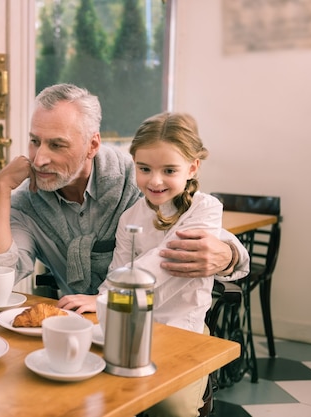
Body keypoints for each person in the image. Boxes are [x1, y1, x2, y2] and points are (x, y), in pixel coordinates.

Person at [0, 83, 247, 314]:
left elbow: (198, 228)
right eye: (35, 141)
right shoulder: (27, 200)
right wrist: (0, 189)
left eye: (57, 144)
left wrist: (229, 255)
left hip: (156, 322)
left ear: (92, 145)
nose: (39, 159)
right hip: (83, 323)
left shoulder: (139, 178)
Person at [105, 111, 226, 417]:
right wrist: (99, 302)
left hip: (184, 335)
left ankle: (201, 384)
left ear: (192, 167)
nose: (154, 180)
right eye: (144, 169)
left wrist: (100, 298)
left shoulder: (206, 208)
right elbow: (116, 273)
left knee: (171, 408)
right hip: (133, 332)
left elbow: (165, 262)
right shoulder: (129, 217)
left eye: (169, 170)